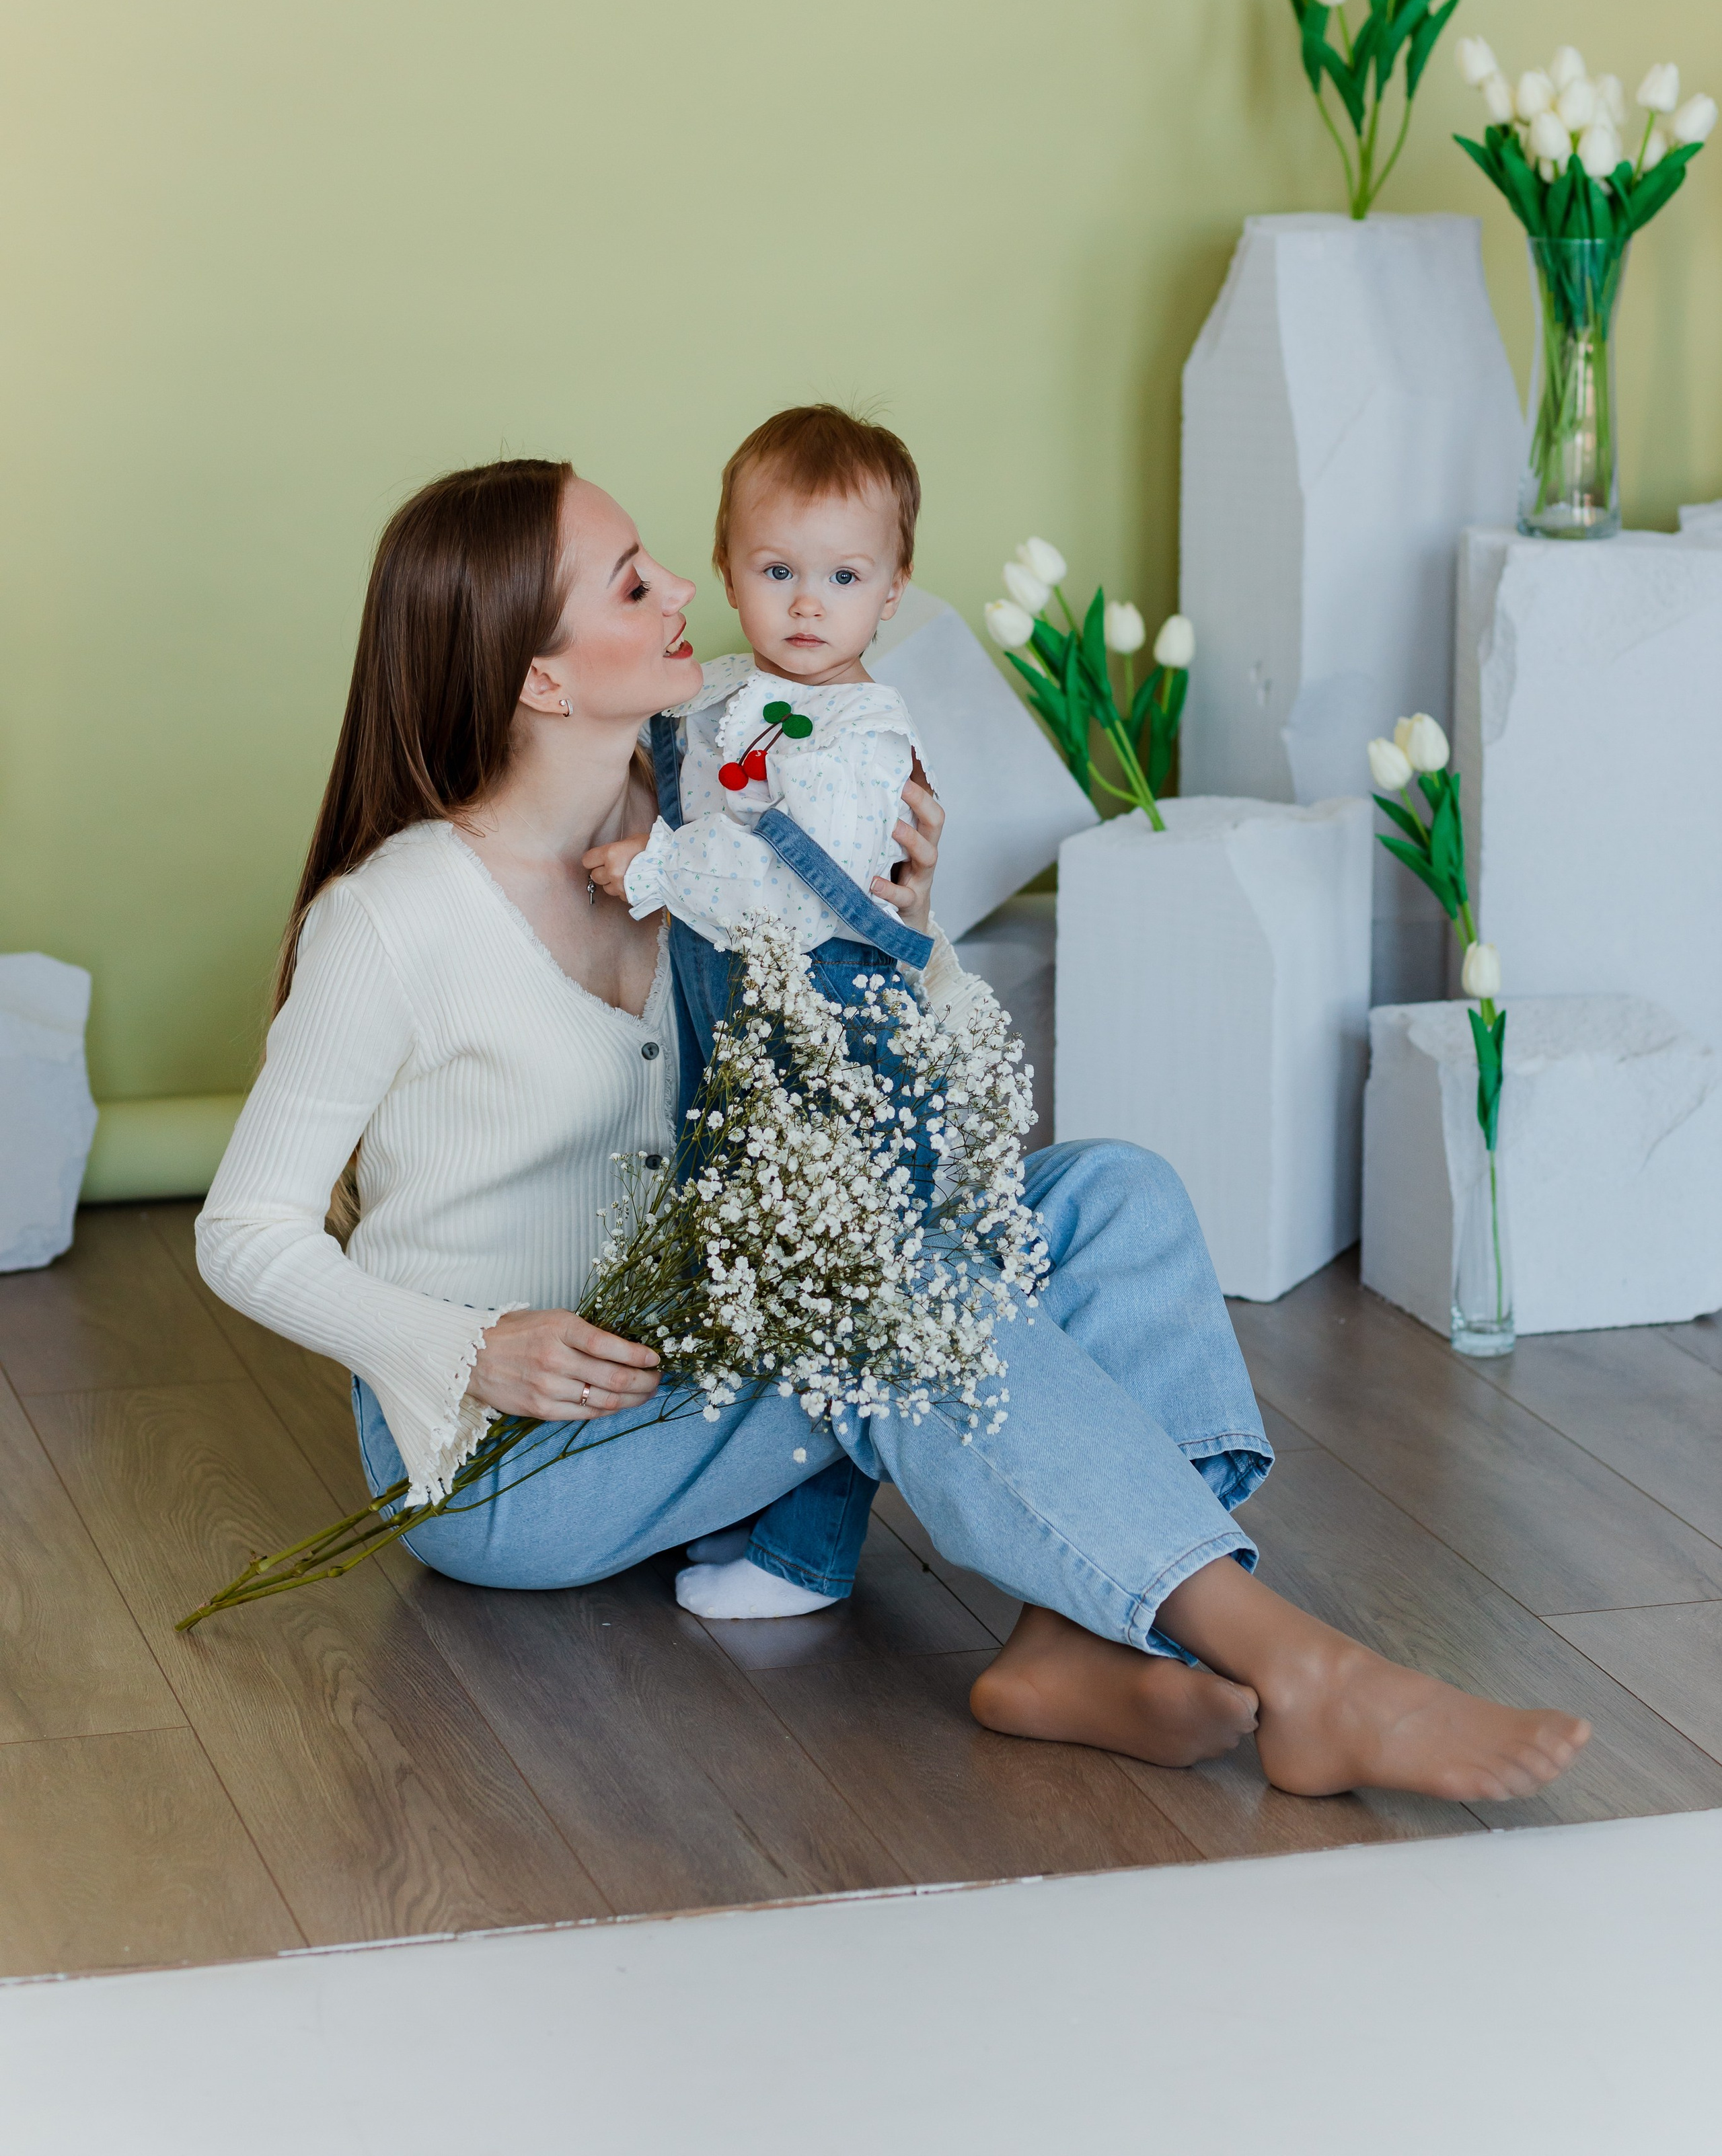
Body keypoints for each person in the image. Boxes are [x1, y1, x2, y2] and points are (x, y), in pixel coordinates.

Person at [197, 455, 1591, 1800]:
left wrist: (901, 931)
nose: (684, 580)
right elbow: (243, 1231)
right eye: (631, 583)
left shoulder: (709, 793)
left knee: (1115, 1197)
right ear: (537, 676)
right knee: (888, 1286)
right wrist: (467, 1348)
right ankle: (1307, 1674)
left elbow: (867, 1071)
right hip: (507, 1467)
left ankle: (1072, 1646)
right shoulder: (395, 918)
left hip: (718, 1340)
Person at [583, 403, 973, 1623]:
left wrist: (653, 866)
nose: (810, 604)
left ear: (893, 591)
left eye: (844, 577)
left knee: (841, 1290)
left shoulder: (867, 736)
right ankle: (737, 1501)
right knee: (746, 1268)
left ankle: (808, 1554)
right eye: (777, 572)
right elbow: (676, 752)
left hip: (838, 1034)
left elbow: (792, 880)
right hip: (743, 1042)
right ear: (734, 573)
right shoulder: (728, 692)